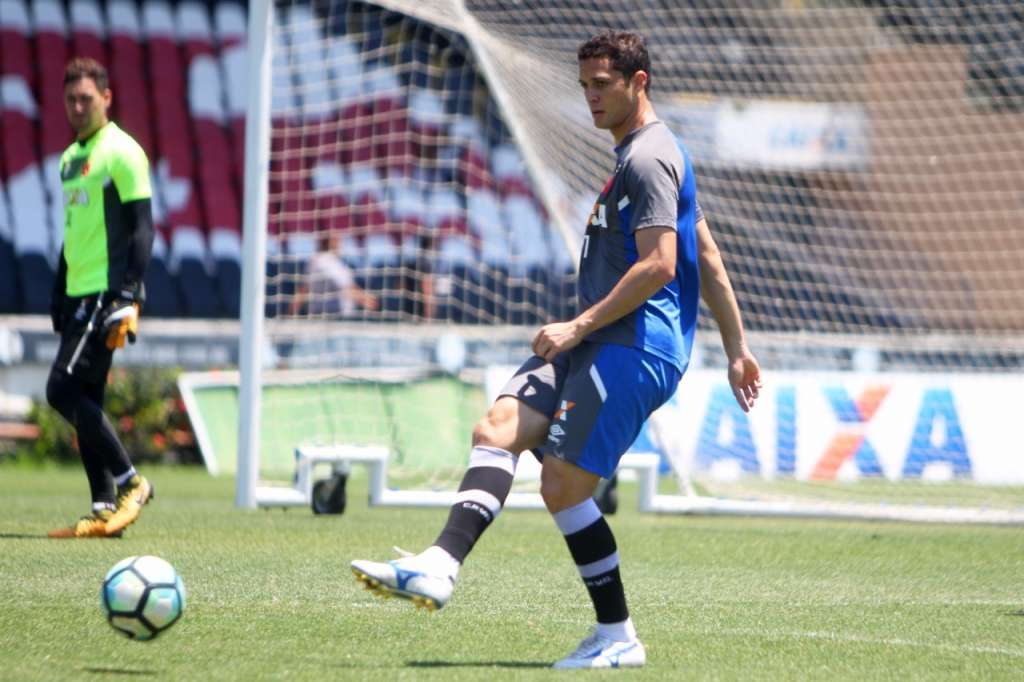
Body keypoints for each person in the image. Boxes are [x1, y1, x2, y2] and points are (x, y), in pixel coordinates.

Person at [350, 30, 762, 669]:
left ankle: (619, 638)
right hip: (598, 337)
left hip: (633, 345)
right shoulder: (641, 154)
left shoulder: (651, 159)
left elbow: (660, 265)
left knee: (563, 486)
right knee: (498, 425)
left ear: (639, 83)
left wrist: (578, 325)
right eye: (585, 86)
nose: (592, 98)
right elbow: (705, 252)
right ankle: (439, 565)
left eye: (604, 85)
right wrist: (736, 348)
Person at [47, 58, 155, 538]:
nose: (77, 106)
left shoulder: (122, 153)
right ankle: (103, 504)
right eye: (70, 98)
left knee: (61, 390)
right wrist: (59, 288)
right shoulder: (70, 158)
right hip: (77, 292)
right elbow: (75, 232)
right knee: (86, 396)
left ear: (106, 98)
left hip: (106, 292)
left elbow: (142, 228)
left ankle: (132, 481)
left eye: (86, 98)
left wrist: (128, 293)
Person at [287, 229, 379, 317]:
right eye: (338, 240)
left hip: (320, 316)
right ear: (332, 242)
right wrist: (366, 300)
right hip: (335, 318)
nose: (341, 244)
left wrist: (291, 311)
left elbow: (304, 290)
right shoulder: (328, 261)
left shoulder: (314, 262)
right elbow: (346, 287)